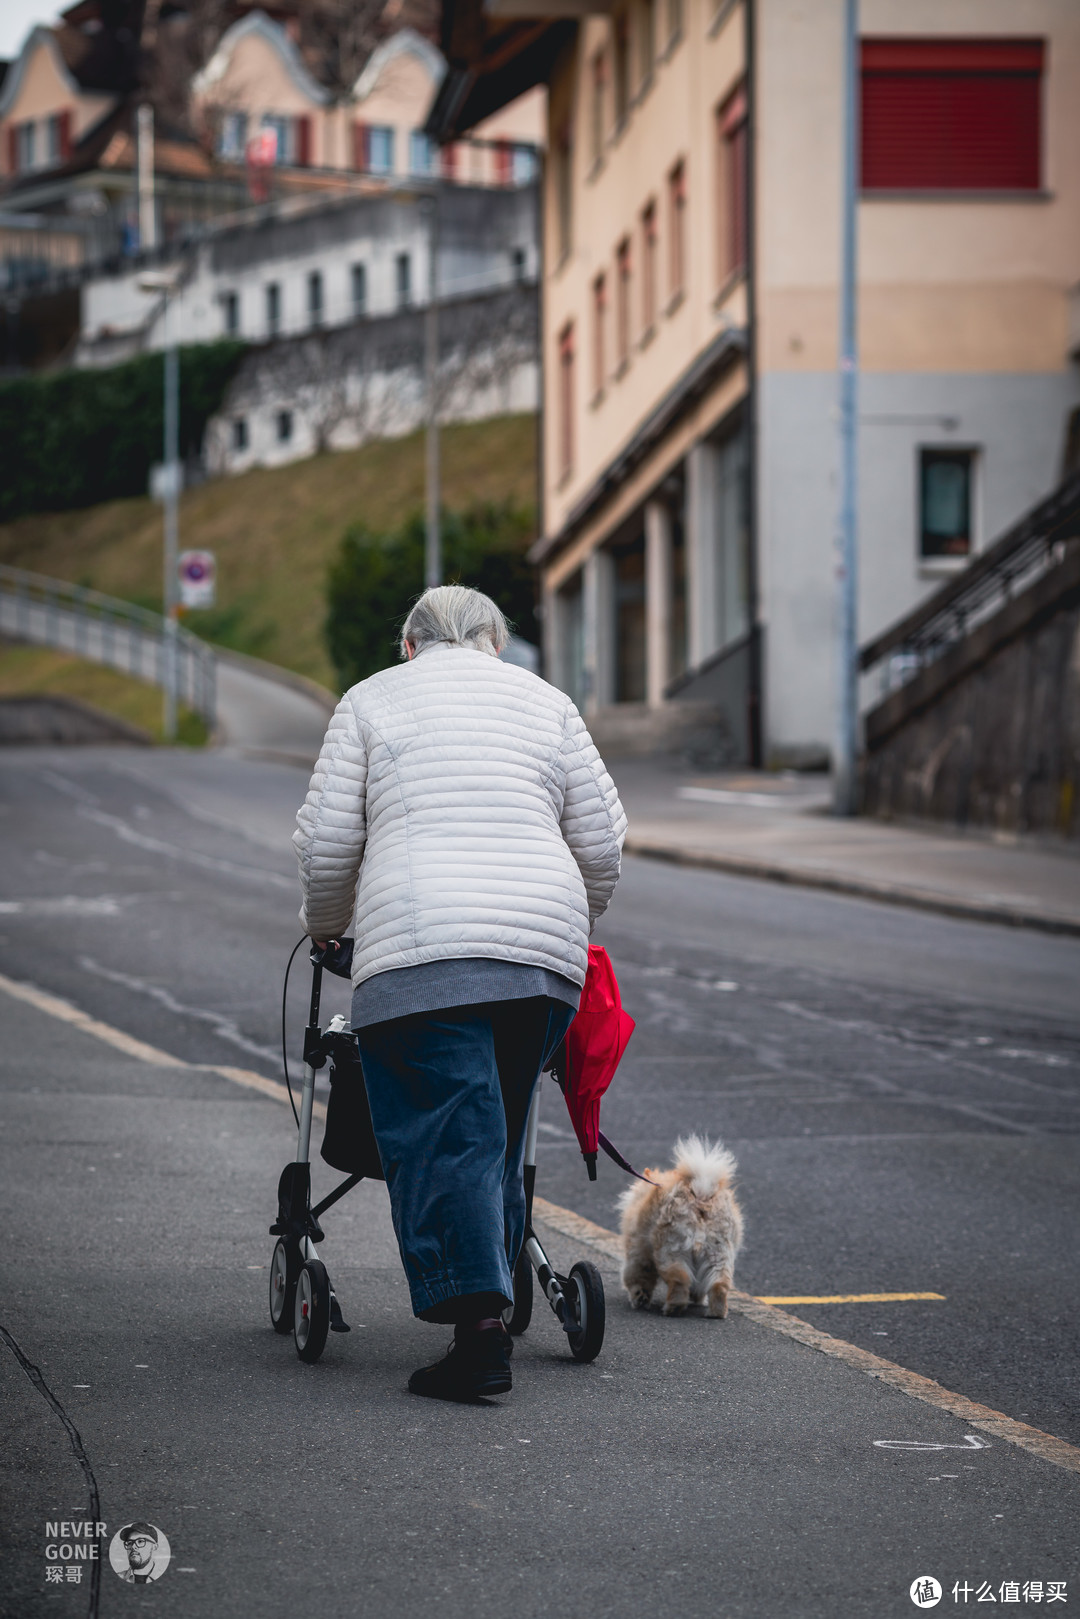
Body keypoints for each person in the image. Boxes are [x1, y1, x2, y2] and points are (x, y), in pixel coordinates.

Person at [294, 584, 626, 1401]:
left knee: (448, 1139)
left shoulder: (370, 700)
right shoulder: (547, 702)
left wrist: (332, 926)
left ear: (410, 645)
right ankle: (493, 1294)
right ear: (495, 644)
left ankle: (479, 1339)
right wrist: (566, 920)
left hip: (419, 955)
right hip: (542, 968)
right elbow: (604, 840)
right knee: (498, 1135)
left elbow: (329, 843)